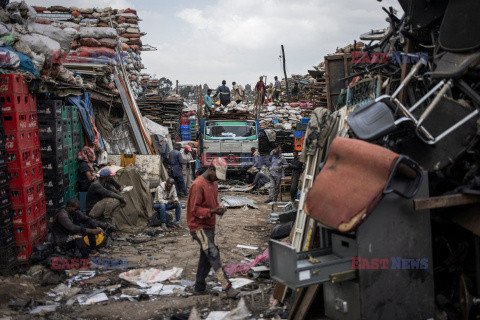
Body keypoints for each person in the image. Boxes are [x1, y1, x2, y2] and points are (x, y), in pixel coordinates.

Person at [187, 157, 240, 298]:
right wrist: (211, 211)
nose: (217, 179)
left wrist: (218, 209)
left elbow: (212, 204)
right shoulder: (198, 185)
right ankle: (227, 287)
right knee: (213, 254)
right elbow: (194, 210)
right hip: (198, 226)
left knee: (206, 257)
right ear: (211, 170)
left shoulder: (214, 183)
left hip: (209, 225)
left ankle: (199, 286)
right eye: (216, 175)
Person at [77, 146, 96, 212]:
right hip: (84, 189)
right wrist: (95, 176)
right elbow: (90, 178)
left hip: (85, 188)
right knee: (83, 208)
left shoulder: (85, 163)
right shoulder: (84, 165)